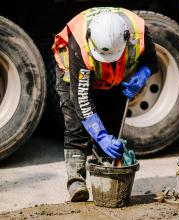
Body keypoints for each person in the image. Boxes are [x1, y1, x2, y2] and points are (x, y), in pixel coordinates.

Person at [52, 7, 158, 202]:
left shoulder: (139, 32)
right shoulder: (80, 43)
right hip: (74, 77)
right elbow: (82, 99)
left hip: (115, 78)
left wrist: (142, 76)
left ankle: (103, 179)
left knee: (111, 128)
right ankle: (76, 182)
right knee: (77, 126)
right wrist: (100, 137)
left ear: (126, 38)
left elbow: (151, 61)